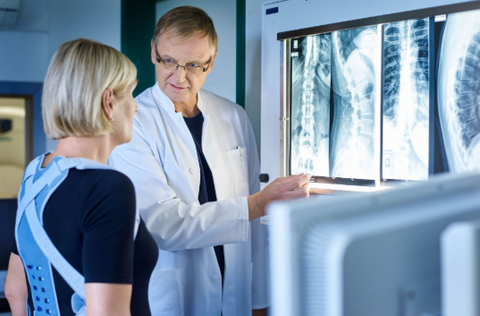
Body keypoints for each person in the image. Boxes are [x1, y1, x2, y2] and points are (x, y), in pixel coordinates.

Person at [108, 6, 313, 316]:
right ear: (153, 51)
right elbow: (163, 224)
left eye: (193, 64)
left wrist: (259, 300)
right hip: (175, 297)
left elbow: (255, 227)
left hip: (236, 293)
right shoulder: (132, 123)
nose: (179, 76)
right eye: (169, 61)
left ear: (211, 63)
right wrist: (257, 204)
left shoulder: (233, 116)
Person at [5, 39, 159, 316]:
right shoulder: (109, 187)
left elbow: (15, 290)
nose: (136, 108)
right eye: (131, 95)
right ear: (109, 102)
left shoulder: (34, 175)